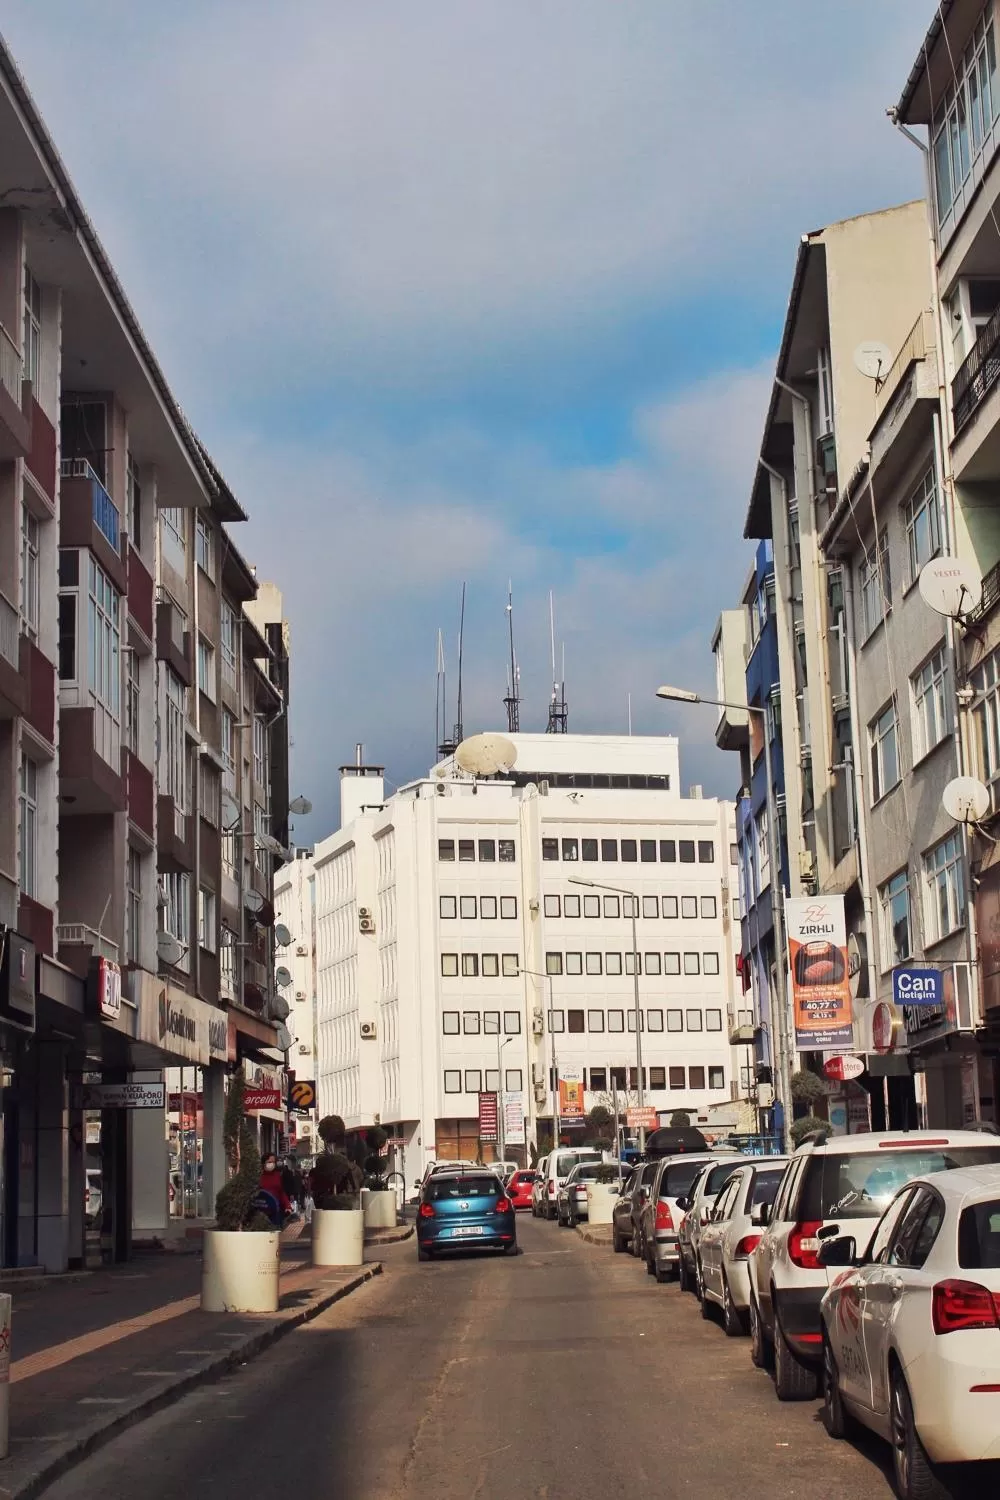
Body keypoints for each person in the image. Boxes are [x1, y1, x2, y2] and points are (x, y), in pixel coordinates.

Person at [259, 1152, 293, 1224]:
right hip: (261, 1213)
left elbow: (281, 1193)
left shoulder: (278, 1175)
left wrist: (288, 1206)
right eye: (269, 1162)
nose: (272, 1164)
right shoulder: (258, 1176)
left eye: (274, 1162)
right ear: (263, 1163)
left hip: (276, 1212)